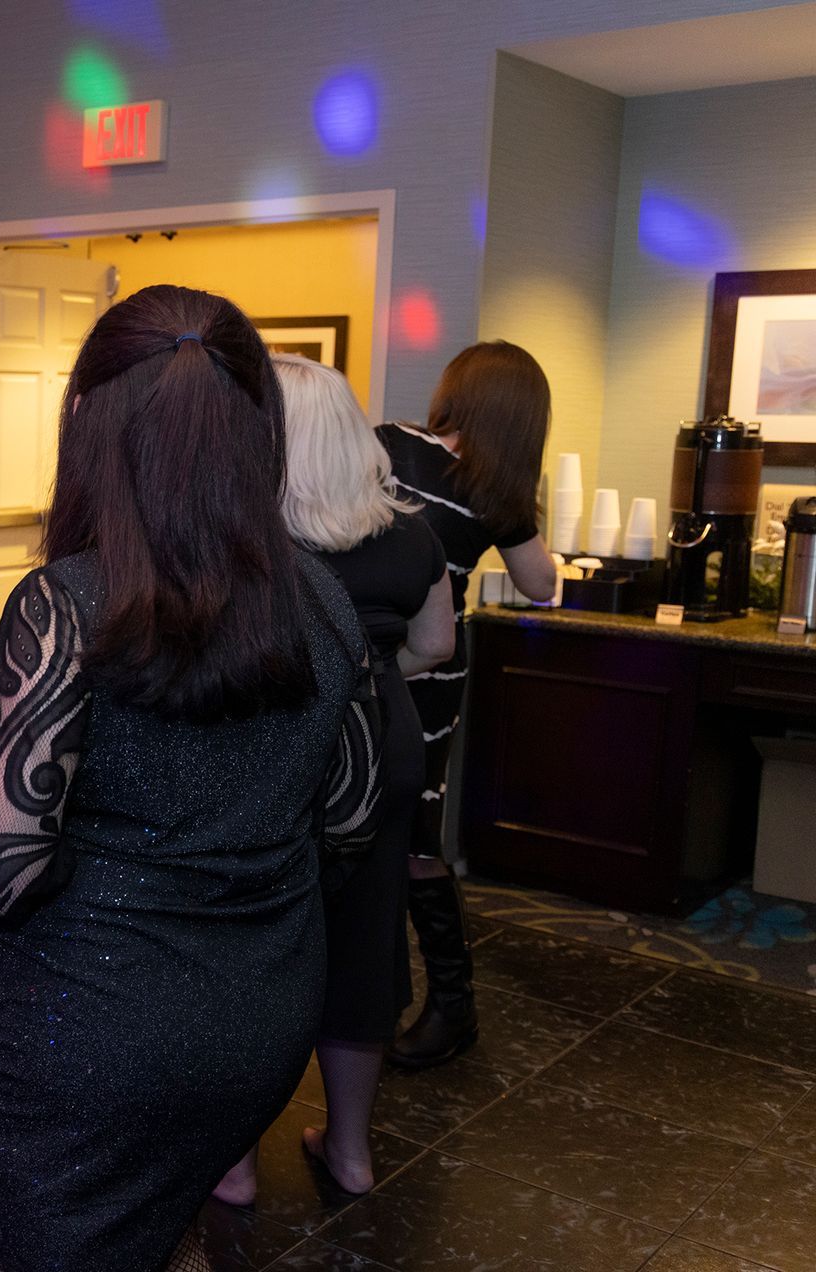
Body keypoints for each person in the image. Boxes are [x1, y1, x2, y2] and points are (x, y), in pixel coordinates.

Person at [0, 286, 362, 1270]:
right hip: (263, 1017)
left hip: (93, 1031)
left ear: (89, 426)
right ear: (256, 425)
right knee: (169, 1225)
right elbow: (348, 820)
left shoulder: (62, 606)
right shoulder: (324, 597)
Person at [213, 354, 455, 1205]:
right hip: (380, 743)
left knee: (247, 946)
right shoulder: (410, 533)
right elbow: (437, 648)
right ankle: (349, 1153)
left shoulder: (237, 536)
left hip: (266, 745)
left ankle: (235, 1164)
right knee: (364, 941)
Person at [378, 341, 556, 1070]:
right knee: (416, 836)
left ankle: (393, 998)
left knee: (368, 828)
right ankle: (450, 1003)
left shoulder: (387, 445)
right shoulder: (497, 497)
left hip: (379, 651)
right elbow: (542, 585)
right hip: (433, 676)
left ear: (458, 391)